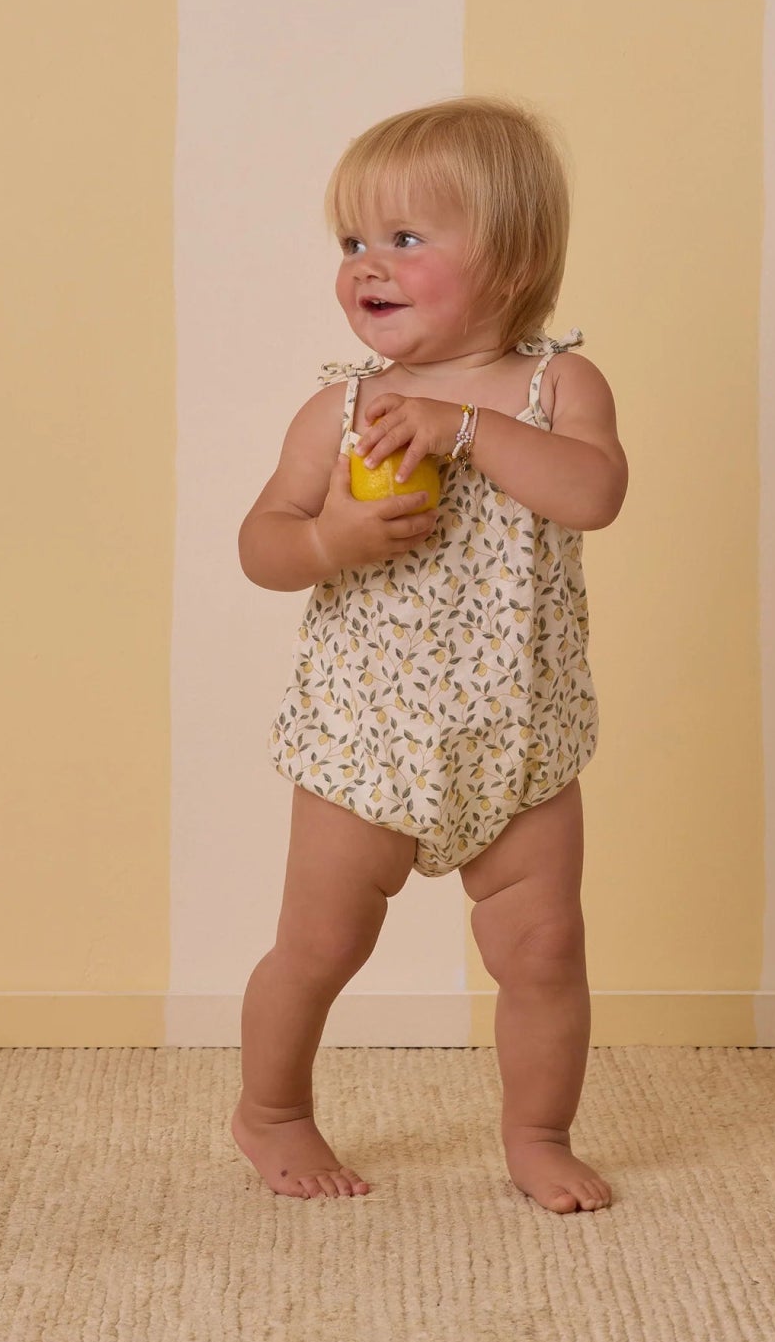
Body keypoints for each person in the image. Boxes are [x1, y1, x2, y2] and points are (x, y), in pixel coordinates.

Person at [231, 96, 628, 1213]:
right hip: (366, 740)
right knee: (319, 945)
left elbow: (593, 492)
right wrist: (327, 540)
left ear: (512, 259)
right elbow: (261, 544)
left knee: (543, 949)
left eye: (405, 238)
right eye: (352, 240)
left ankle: (538, 1134)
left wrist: (467, 431)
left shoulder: (555, 391)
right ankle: (271, 1110)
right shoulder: (343, 407)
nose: (367, 264)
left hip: (520, 740)